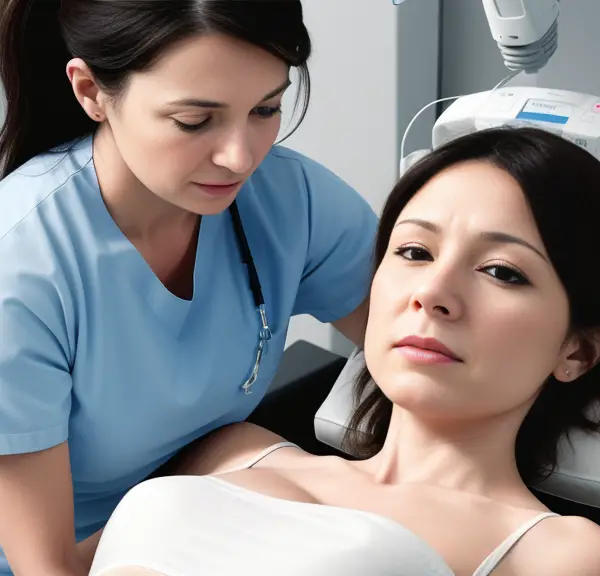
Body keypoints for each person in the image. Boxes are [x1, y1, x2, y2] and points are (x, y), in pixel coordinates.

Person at [89, 127, 600, 576]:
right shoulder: (234, 449)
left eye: (502, 271)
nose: (433, 292)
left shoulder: (555, 551)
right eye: (414, 252)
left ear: (576, 351)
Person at [0, 1, 377, 574]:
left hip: (198, 502)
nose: (241, 157)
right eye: (195, 121)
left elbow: (418, 346)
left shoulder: (288, 198)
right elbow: (47, 568)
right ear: (91, 91)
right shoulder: (20, 264)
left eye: (265, 109)